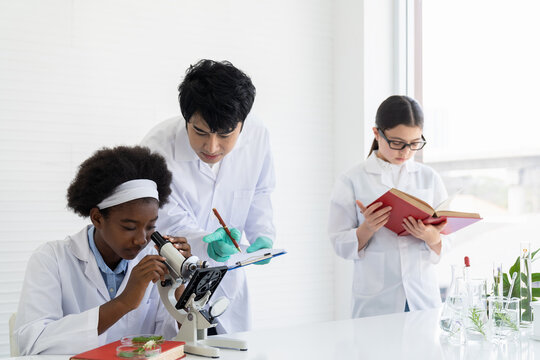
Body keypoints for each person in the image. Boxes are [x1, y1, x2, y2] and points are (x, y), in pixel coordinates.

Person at [141, 59, 275, 334]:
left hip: (229, 281)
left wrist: (263, 235)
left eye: (225, 134)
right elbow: (162, 219)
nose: (211, 146)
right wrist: (203, 242)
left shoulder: (258, 136)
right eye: (200, 132)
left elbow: (260, 191)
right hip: (174, 279)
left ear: (242, 124)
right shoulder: (157, 148)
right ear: (186, 117)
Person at [14, 146, 191, 355]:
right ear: (97, 218)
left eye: (151, 227)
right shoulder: (51, 258)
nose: (141, 239)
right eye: (129, 227)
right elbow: (32, 343)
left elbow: (174, 341)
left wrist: (180, 283)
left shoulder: (155, 261)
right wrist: (124, 302)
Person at [328, 95, 449, 318]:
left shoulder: (429, 178)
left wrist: (431, 236)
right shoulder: (352, 179)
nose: (405, 152)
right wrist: (368, 228)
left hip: (423, 298)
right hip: (376, 300)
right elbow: (338, 242)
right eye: (397, 143)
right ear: (377, 133)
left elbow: (447, 240)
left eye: (414, 144)